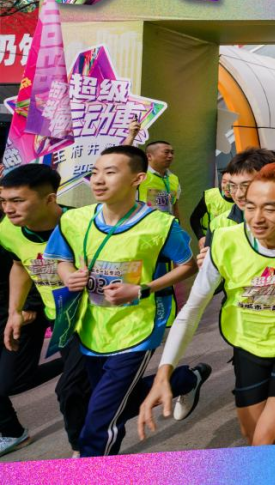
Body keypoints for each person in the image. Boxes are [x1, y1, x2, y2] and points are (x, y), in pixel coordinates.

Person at [139, 163, 275, 446]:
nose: (257, 218)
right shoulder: (225, 241)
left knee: (263, 441)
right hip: (247, 344)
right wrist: (164, 373)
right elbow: (192, 309)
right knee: (252, 437)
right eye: (251, 207)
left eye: (270, 208)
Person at [47, 146, 209, 457]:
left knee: (101, 420)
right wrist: (69, 276)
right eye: (95, 172)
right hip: (90, 329)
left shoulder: (160, 225)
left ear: (138, 178)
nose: (98, 180)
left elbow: (187, 265)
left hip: (136, 331)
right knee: (113, 401)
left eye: (110, 172)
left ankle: (95, 466)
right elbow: (61, 259)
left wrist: (141, 289)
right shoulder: (73, 220)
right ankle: (183, 379)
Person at [1, 165, 91, 457]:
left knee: (70, 390)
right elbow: (19, 265)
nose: (8, 209)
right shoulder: (6, 230)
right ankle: (183, 380)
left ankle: (83, 452)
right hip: (62, 318)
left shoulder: (85, 224)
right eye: (4, 201)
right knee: (96, 387)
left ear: (50, 199)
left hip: (100, 316)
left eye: (17, 201)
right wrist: (15, 311)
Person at [137, 141, 181, 219]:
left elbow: (175, 207)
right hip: (143, 225)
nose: (170, 156)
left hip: (167, 225)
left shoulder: (174, 178)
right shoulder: (139, 175)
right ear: (149, 156)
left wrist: (177, 225)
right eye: (166, 152)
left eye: (172, 153)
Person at [188, 171, 233, 241]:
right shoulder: (210, 197)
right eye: (224, 182)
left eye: (231, 183)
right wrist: (201, 237)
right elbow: (194, 218)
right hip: (211, 241)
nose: (227, 187)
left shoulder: (243, 201)